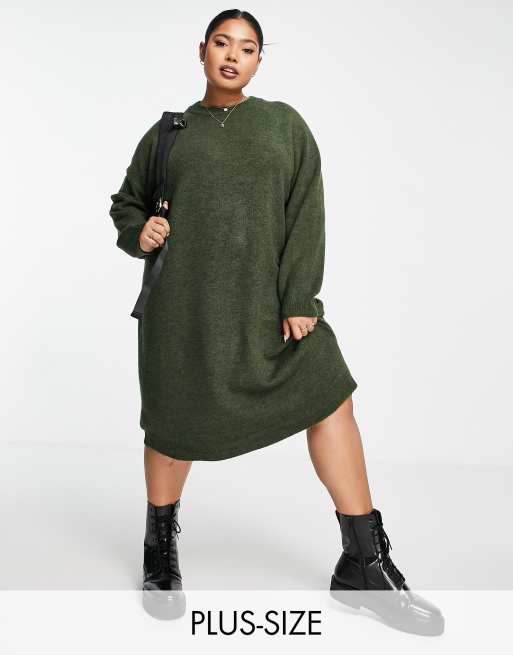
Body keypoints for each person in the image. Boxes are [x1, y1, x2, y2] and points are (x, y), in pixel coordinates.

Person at [109, 9, 444, 635]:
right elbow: (126, 203)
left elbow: (305, 209)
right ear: (202, 51)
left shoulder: (283, 125)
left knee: (330, 392)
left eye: (247, 48)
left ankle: (364, 563)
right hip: (183, 311)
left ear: (260, 60)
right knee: (173, 422)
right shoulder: (169, 134)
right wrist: (140, 230)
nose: (232, 56)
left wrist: (299, 298)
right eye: (222, 43)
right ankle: (160, 551)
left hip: (264, 309)